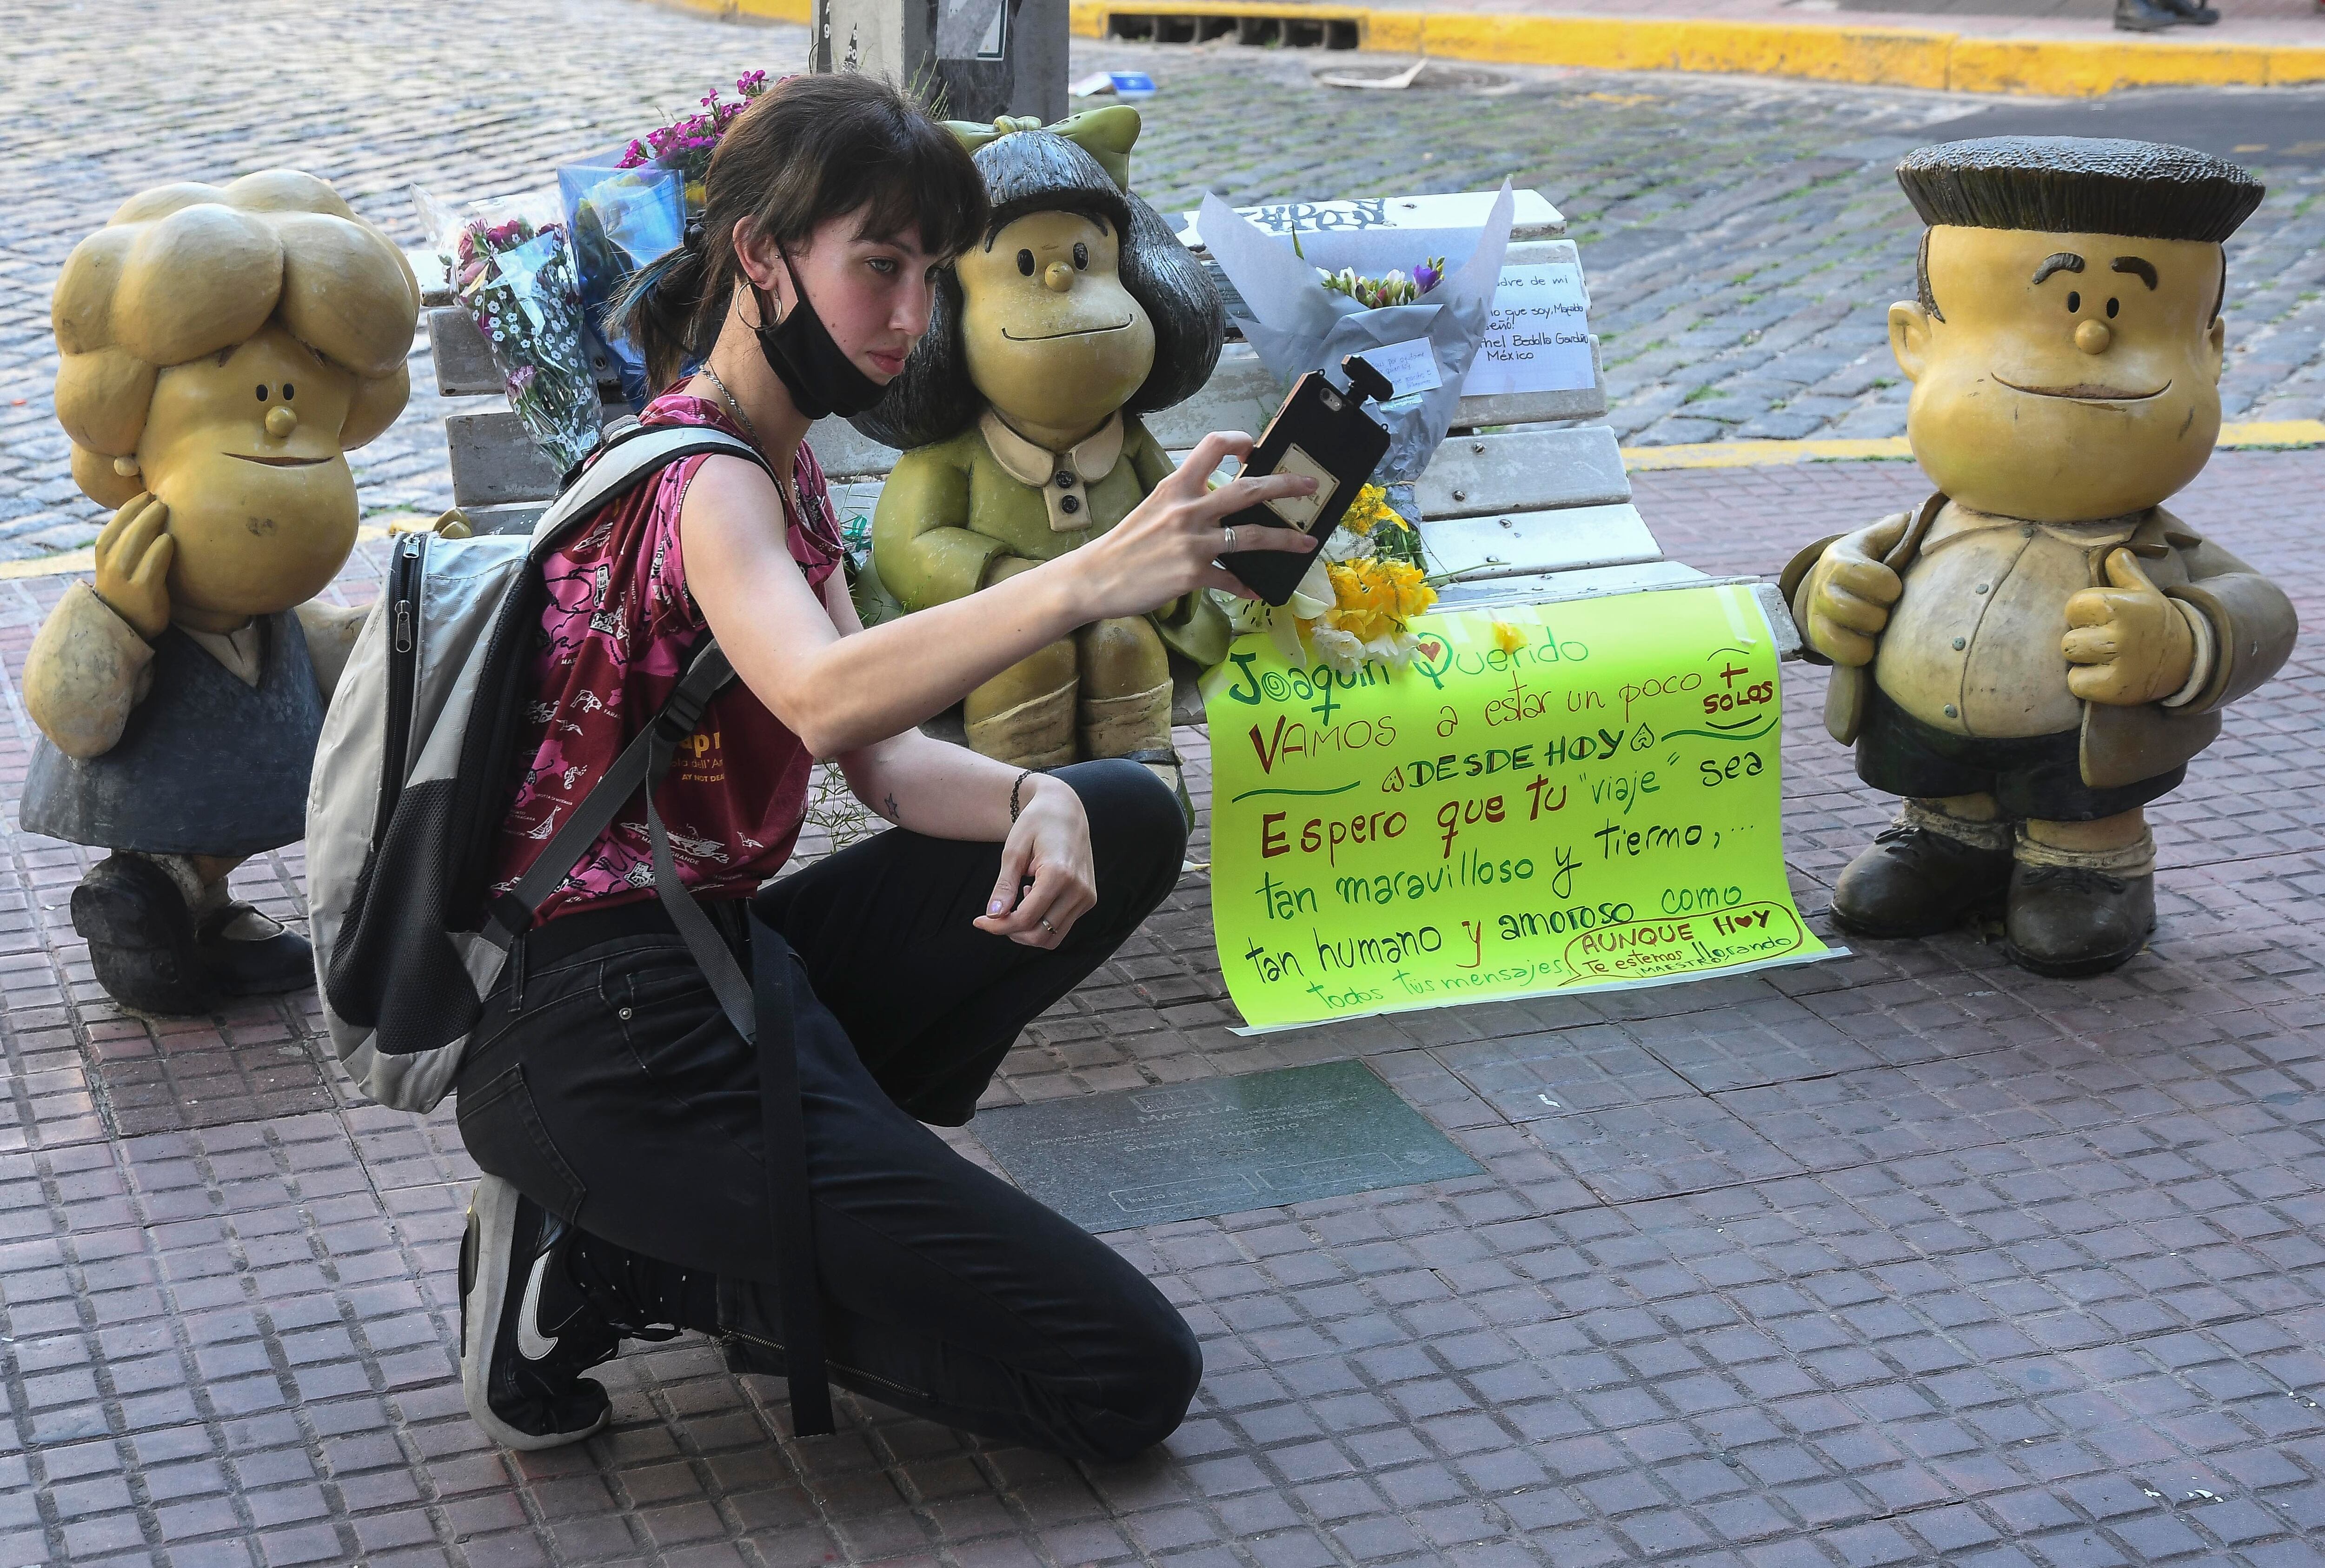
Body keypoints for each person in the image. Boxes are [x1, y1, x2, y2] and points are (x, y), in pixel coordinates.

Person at [449, 71, 1320, 1462]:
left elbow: (893, 767)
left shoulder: (781, 474)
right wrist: (1089, 576)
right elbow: (816, 689)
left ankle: (798, 1176)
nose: (913, 317)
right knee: (1125, 1375)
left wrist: (1038, 795)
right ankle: (604, 1257)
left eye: (930, 273)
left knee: (1125, 811)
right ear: (761, 254)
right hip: (603, 1038)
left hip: (718, 957)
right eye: (878, 266)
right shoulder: (704, 477)